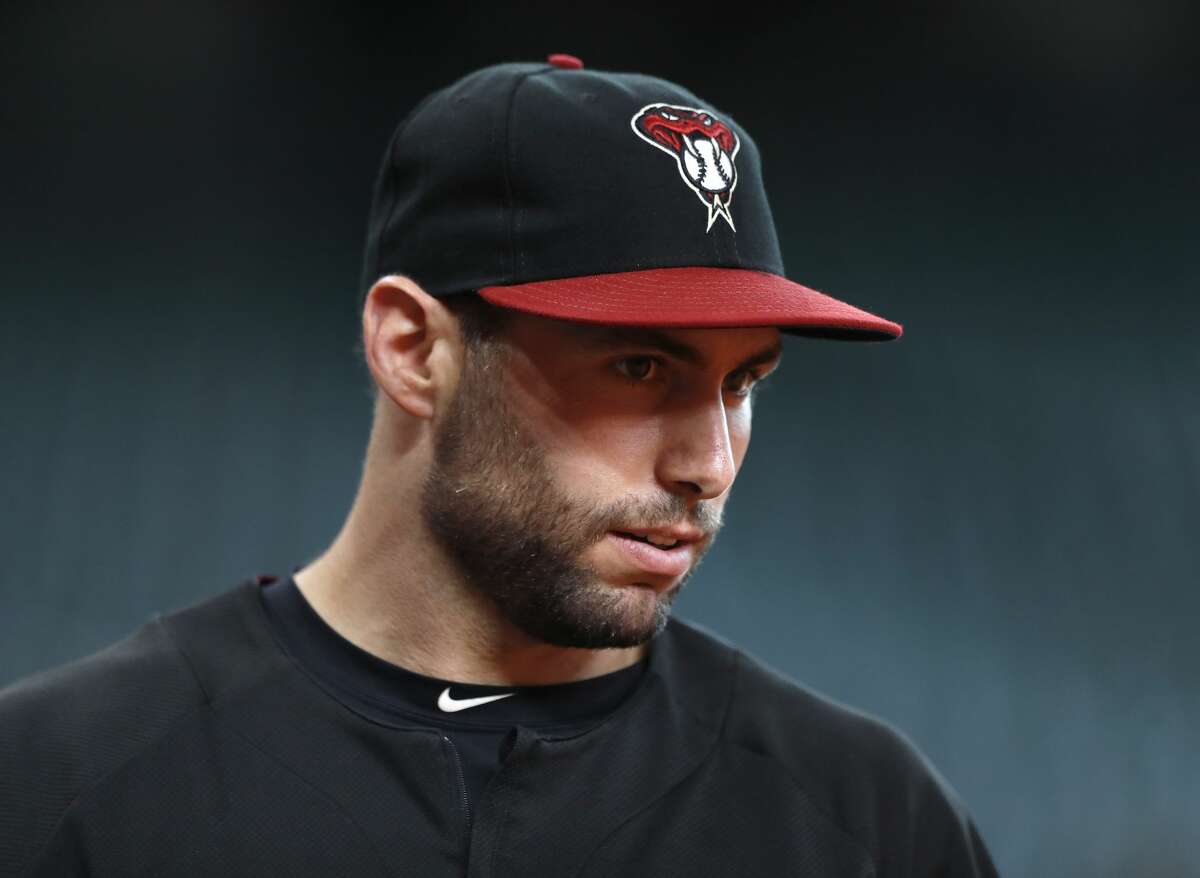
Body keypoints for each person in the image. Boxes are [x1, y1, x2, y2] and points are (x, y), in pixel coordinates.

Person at [0, 55, 1000, 876]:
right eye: (640, 365)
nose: (711, 461)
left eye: (743, 381)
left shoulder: (870, 820)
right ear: (412, 348)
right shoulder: (59, 784)